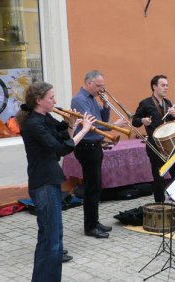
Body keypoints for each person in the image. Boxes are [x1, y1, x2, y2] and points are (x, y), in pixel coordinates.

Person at [16, 81, 95, 281]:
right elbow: (62, 150)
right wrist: (84, 130)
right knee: (51, 242)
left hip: (49, 181)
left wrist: (71, 125)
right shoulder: (34, 124)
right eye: (51, 98)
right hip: (43, 184)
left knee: (52, 238)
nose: (55, 101)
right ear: (39, 100)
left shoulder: (45, 118)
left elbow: (62, 139)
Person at [71, 70, 126, 239]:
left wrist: (106, 105)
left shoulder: (93, 99)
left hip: (95, 146)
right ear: (89, 83)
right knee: (91, 188)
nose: (102, 89)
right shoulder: (80, 100)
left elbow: (102, 117)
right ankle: (90, 226)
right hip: (86, 146)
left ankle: (94, 221)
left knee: (96, 186)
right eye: (99, 86)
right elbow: (95, 125)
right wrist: (113, 126)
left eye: (103, 86)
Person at [132, 74, 175, 203]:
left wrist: (174, 114)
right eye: (163, 85)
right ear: (154, 87)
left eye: (167, 85)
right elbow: (135, 121)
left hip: (169, 145)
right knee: (158, 176)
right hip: (154, 144)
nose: (166, 88)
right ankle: (160, 205)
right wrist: (143, 120)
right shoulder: (145, 103)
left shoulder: (168, 103)